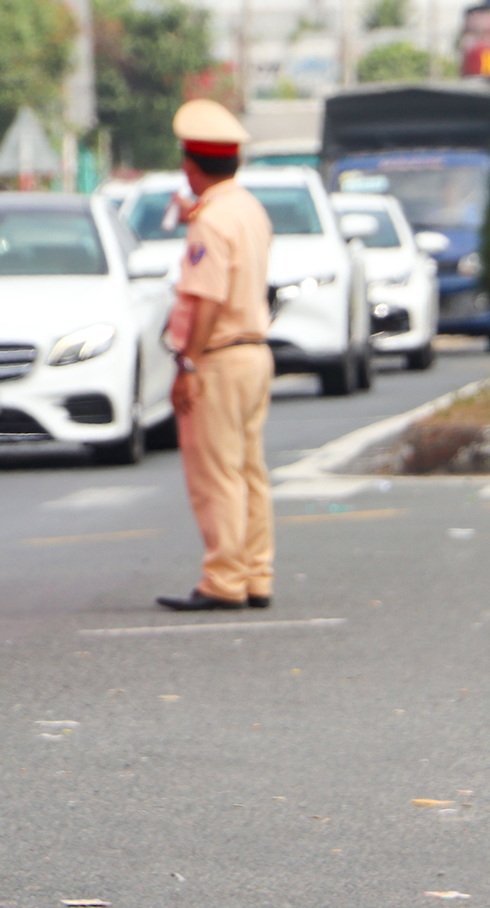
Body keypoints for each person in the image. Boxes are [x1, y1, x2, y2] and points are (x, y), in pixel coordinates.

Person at [157, 98, 276, 613]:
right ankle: (256, 574)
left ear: (190, 165)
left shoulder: (211, 221)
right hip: (255, 353)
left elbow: (206, 300)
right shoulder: (246, 209)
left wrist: (187, 363)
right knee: (249, 470)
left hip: (219, 357)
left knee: (216, 474)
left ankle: (223, 579)